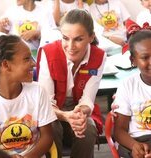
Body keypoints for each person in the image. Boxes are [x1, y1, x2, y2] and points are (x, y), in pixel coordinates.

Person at [37, 9, 106, 158]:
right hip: (53, 112)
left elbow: (88, 99)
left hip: (78, 112)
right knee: (51, 125)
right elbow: (45, 103)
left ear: (91, 37)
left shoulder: (99, 56)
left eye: (78, 39)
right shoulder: (48, 53)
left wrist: (78, 116)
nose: (70, 46)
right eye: (65, 38)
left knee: (88, 127)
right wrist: (65, 115)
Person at [0, 35, 57, 158]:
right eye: (27, 59)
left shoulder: (38, 92)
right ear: (6, 65)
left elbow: (47, 137)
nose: (33, 63)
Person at [113, 28, 151, 157]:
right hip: (137, 141)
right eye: (145, 57)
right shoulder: (127, 85)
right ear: (133, 60)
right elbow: (118, 131)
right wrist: (134, 146)